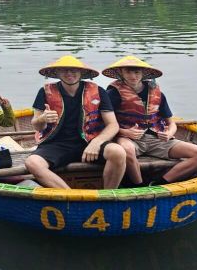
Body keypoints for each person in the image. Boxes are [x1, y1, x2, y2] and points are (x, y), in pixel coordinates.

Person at [102, 55, 197, 186]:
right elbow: (102, 123)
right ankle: (140, 185)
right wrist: (125, 132)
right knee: (126, 150)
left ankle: (158, 183)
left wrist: (170, 133)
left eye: (137, 72)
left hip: (157, 138)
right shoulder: (112, 94)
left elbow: (171, 123)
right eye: (128, 71)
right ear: (121, 73)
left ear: (143, 73)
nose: (133, 76)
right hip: (128, 139)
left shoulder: (156, 92)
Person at [25, 55, 126, 189]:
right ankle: (70, 196)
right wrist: (43, 118)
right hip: (57, 144)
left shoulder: (98, 91)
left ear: (82, 73)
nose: (69, 74)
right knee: (33, 162)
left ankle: (107, 195)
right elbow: (37, 125)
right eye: (64, 70)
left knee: (118, 152)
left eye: (74, 70)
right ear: (57, 73)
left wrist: (96, 143)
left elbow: (113, 125)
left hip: (89, 140)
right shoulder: (45, 91)